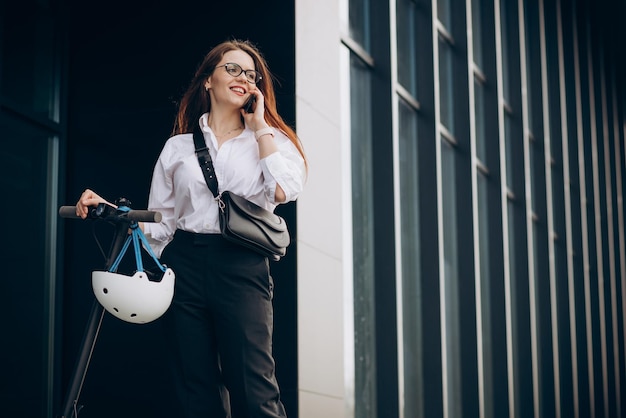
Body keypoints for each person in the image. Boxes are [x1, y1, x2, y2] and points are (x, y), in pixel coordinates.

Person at [75, 39, 307, 417]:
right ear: (208, 81)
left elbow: (284, 189)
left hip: (242, 266)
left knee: (255, 389)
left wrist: (261, 124)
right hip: (185, 265)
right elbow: (158, 226)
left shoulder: (270, 140)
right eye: (232, 69)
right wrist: (110, 210)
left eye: (251, 74)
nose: (243, 78)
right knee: (195, 389)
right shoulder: (178, 148)